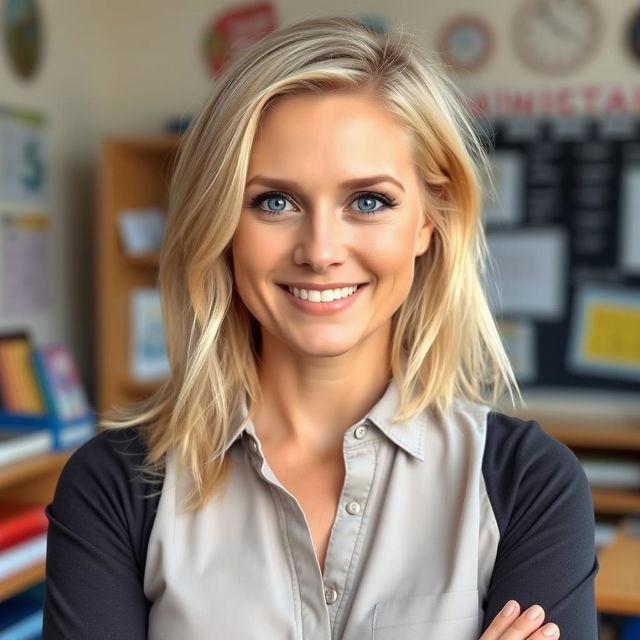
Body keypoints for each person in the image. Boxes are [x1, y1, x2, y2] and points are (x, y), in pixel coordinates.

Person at [42, 15, 599, 640]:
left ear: (428, 221)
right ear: (221, 224)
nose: (321, 250)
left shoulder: (528, 485)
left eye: (369, 201)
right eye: (274, 202)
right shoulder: (114, 486)